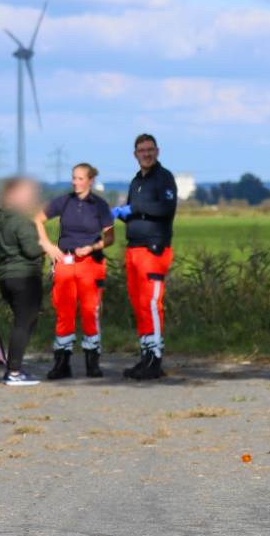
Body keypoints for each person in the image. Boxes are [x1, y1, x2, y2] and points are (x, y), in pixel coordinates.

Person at [35, 162, 116, 379]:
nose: (75, 182)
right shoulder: (64, 201)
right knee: (64, 312)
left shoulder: (100, 205)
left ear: (90, 180)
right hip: (66, 261)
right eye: (74, 178)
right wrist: (48, 246)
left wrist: (92, 246)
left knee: (90, 311)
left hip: (91, 263)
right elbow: (38, 219)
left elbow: (110, 237)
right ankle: (62, 363)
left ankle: (92, 362)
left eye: (80, 178)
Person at [113, 132, 177, 380]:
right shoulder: (135, 181)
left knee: (151, 305)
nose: (147, 154)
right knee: (139, 305)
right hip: (133, 249)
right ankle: (146, 356)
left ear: (157, 151)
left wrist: (136, 208)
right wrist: (118, 213)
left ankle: (155, 359)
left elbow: (166, 208)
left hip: (154, 249)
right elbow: (132, 212)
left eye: (150, 150)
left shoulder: (164, 178)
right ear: (135, 154)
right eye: (142, 151)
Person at [0, 177, 45, 386]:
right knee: (24, 323)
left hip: (6, 276)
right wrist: (43, 245)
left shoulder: (0, 220)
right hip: (25, 277)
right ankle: (13, 372)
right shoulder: (21, 221)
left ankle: (16, 366)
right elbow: (31, 250)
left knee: (24, 321)